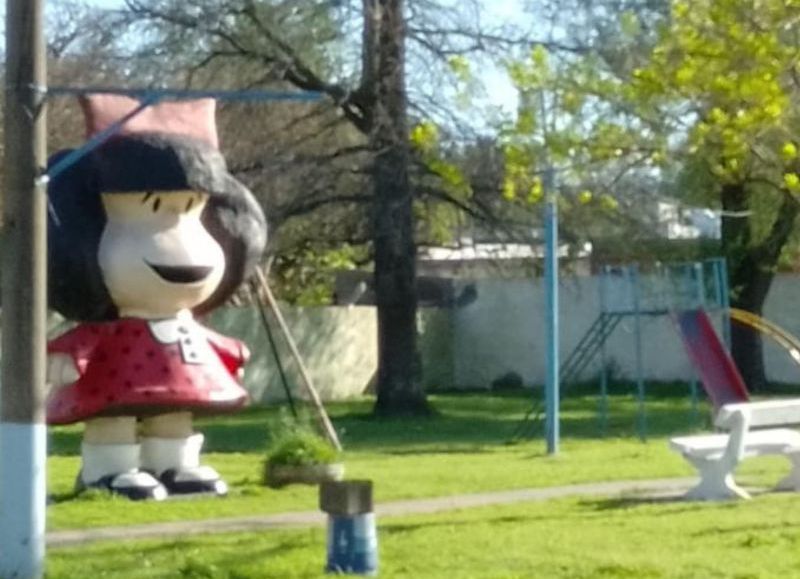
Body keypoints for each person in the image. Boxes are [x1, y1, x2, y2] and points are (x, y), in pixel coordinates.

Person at [46, 95, 267, 500]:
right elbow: (83, 343)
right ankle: (108, 469)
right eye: (155, 208)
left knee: (174, 418)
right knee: (113, 419)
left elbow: (207, 341)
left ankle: (174, 465)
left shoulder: (186, 316)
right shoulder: (110, 320)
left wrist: (231, 351)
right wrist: (66, 360)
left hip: (176, 379)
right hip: (113, 381)